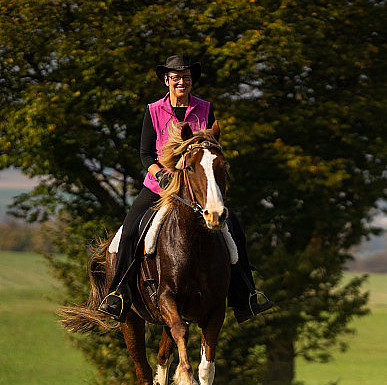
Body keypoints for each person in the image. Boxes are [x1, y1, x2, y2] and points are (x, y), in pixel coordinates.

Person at [98, 55, 272, 323]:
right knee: (130, 230)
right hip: (160, 187)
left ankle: (245, 297)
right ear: (167, 80)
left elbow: (211, 144)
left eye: (186, 77)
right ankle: (118, 295)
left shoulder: (204, 108)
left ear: (192, 82)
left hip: (195, 189)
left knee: (234, 229)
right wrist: (163, 176)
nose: (182, 81)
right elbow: (146, 154)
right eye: (176, 77)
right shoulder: (154, 110)